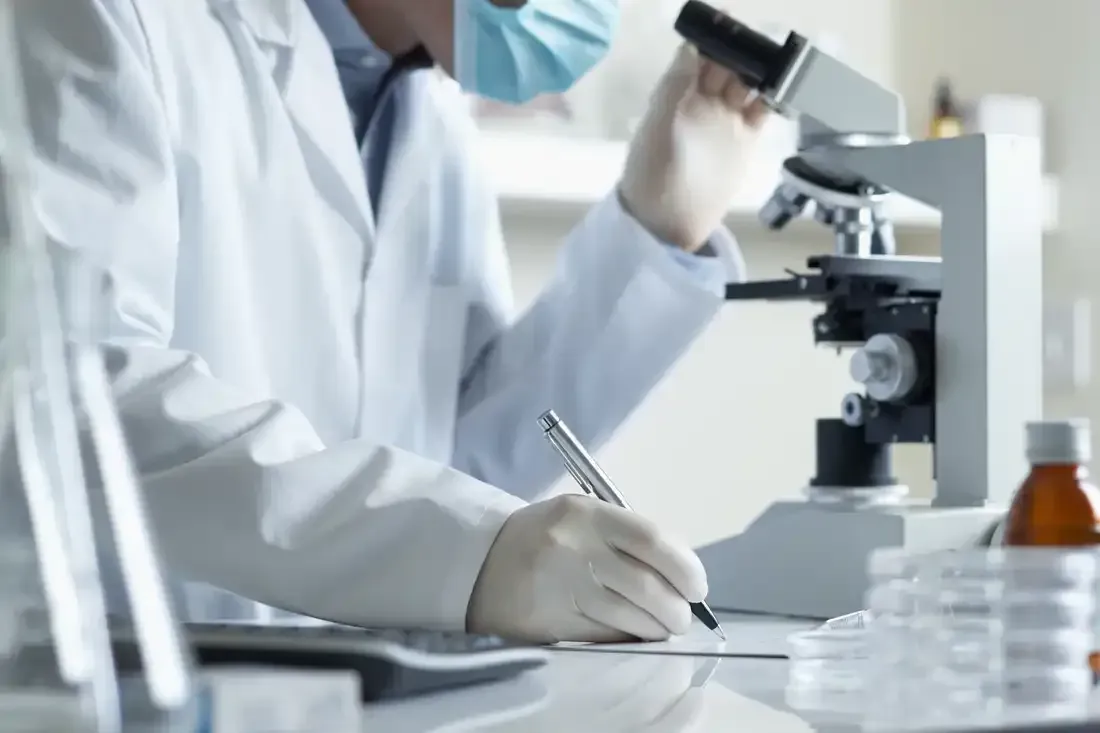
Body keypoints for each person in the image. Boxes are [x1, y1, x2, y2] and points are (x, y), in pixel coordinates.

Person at [11, 0, 767, 643]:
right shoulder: (110, 17)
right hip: (117, 681)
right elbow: (77, 398)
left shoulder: (429, 109)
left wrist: (659, 225)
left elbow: (445, 464)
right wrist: (466, 552)